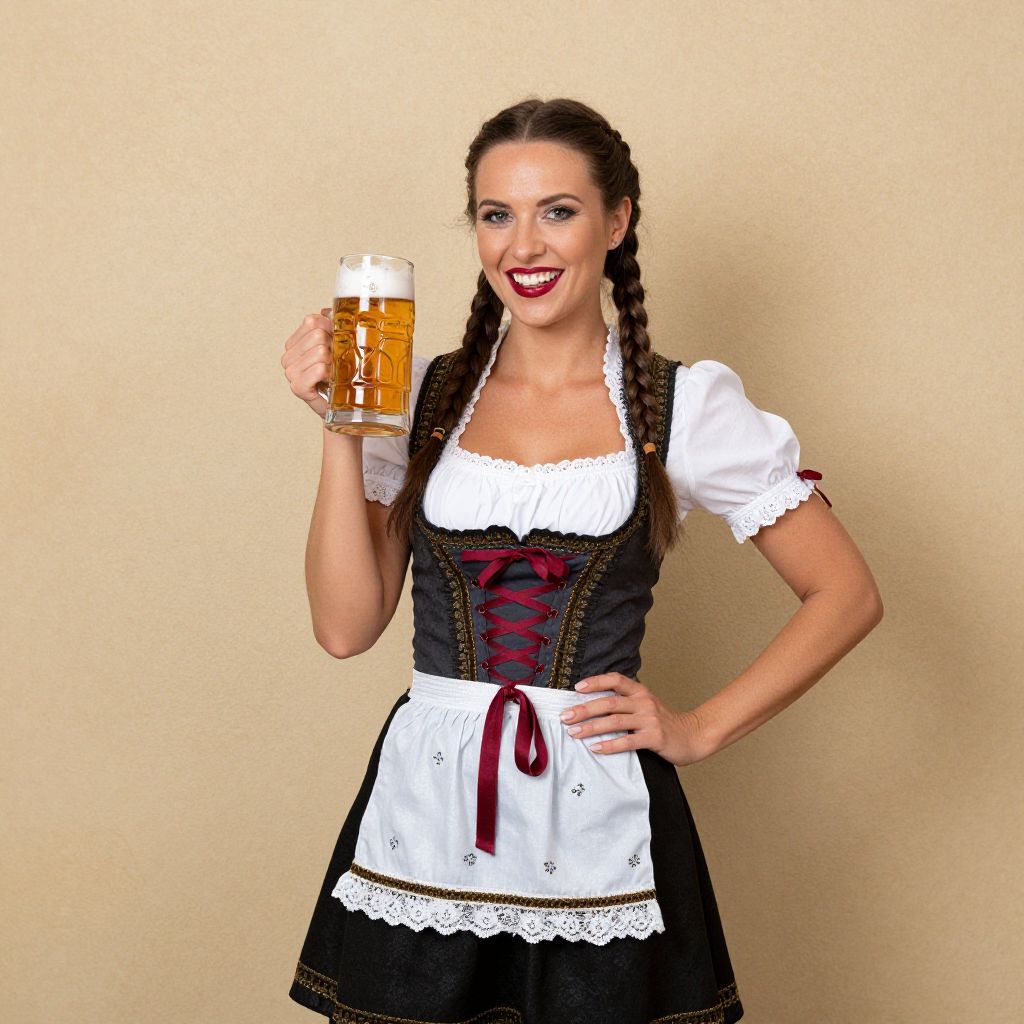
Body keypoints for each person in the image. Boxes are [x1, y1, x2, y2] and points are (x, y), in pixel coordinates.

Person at [279, 97, 883, 1024]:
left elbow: (844, 593)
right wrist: (341, 424)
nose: (524, 245)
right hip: (429, 810)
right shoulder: (425, 396)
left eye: (557, 211)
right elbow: (344, 627)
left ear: (617, 220)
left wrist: (699, 729)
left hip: (597, 810)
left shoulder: (682, 405)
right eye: (497, 214)